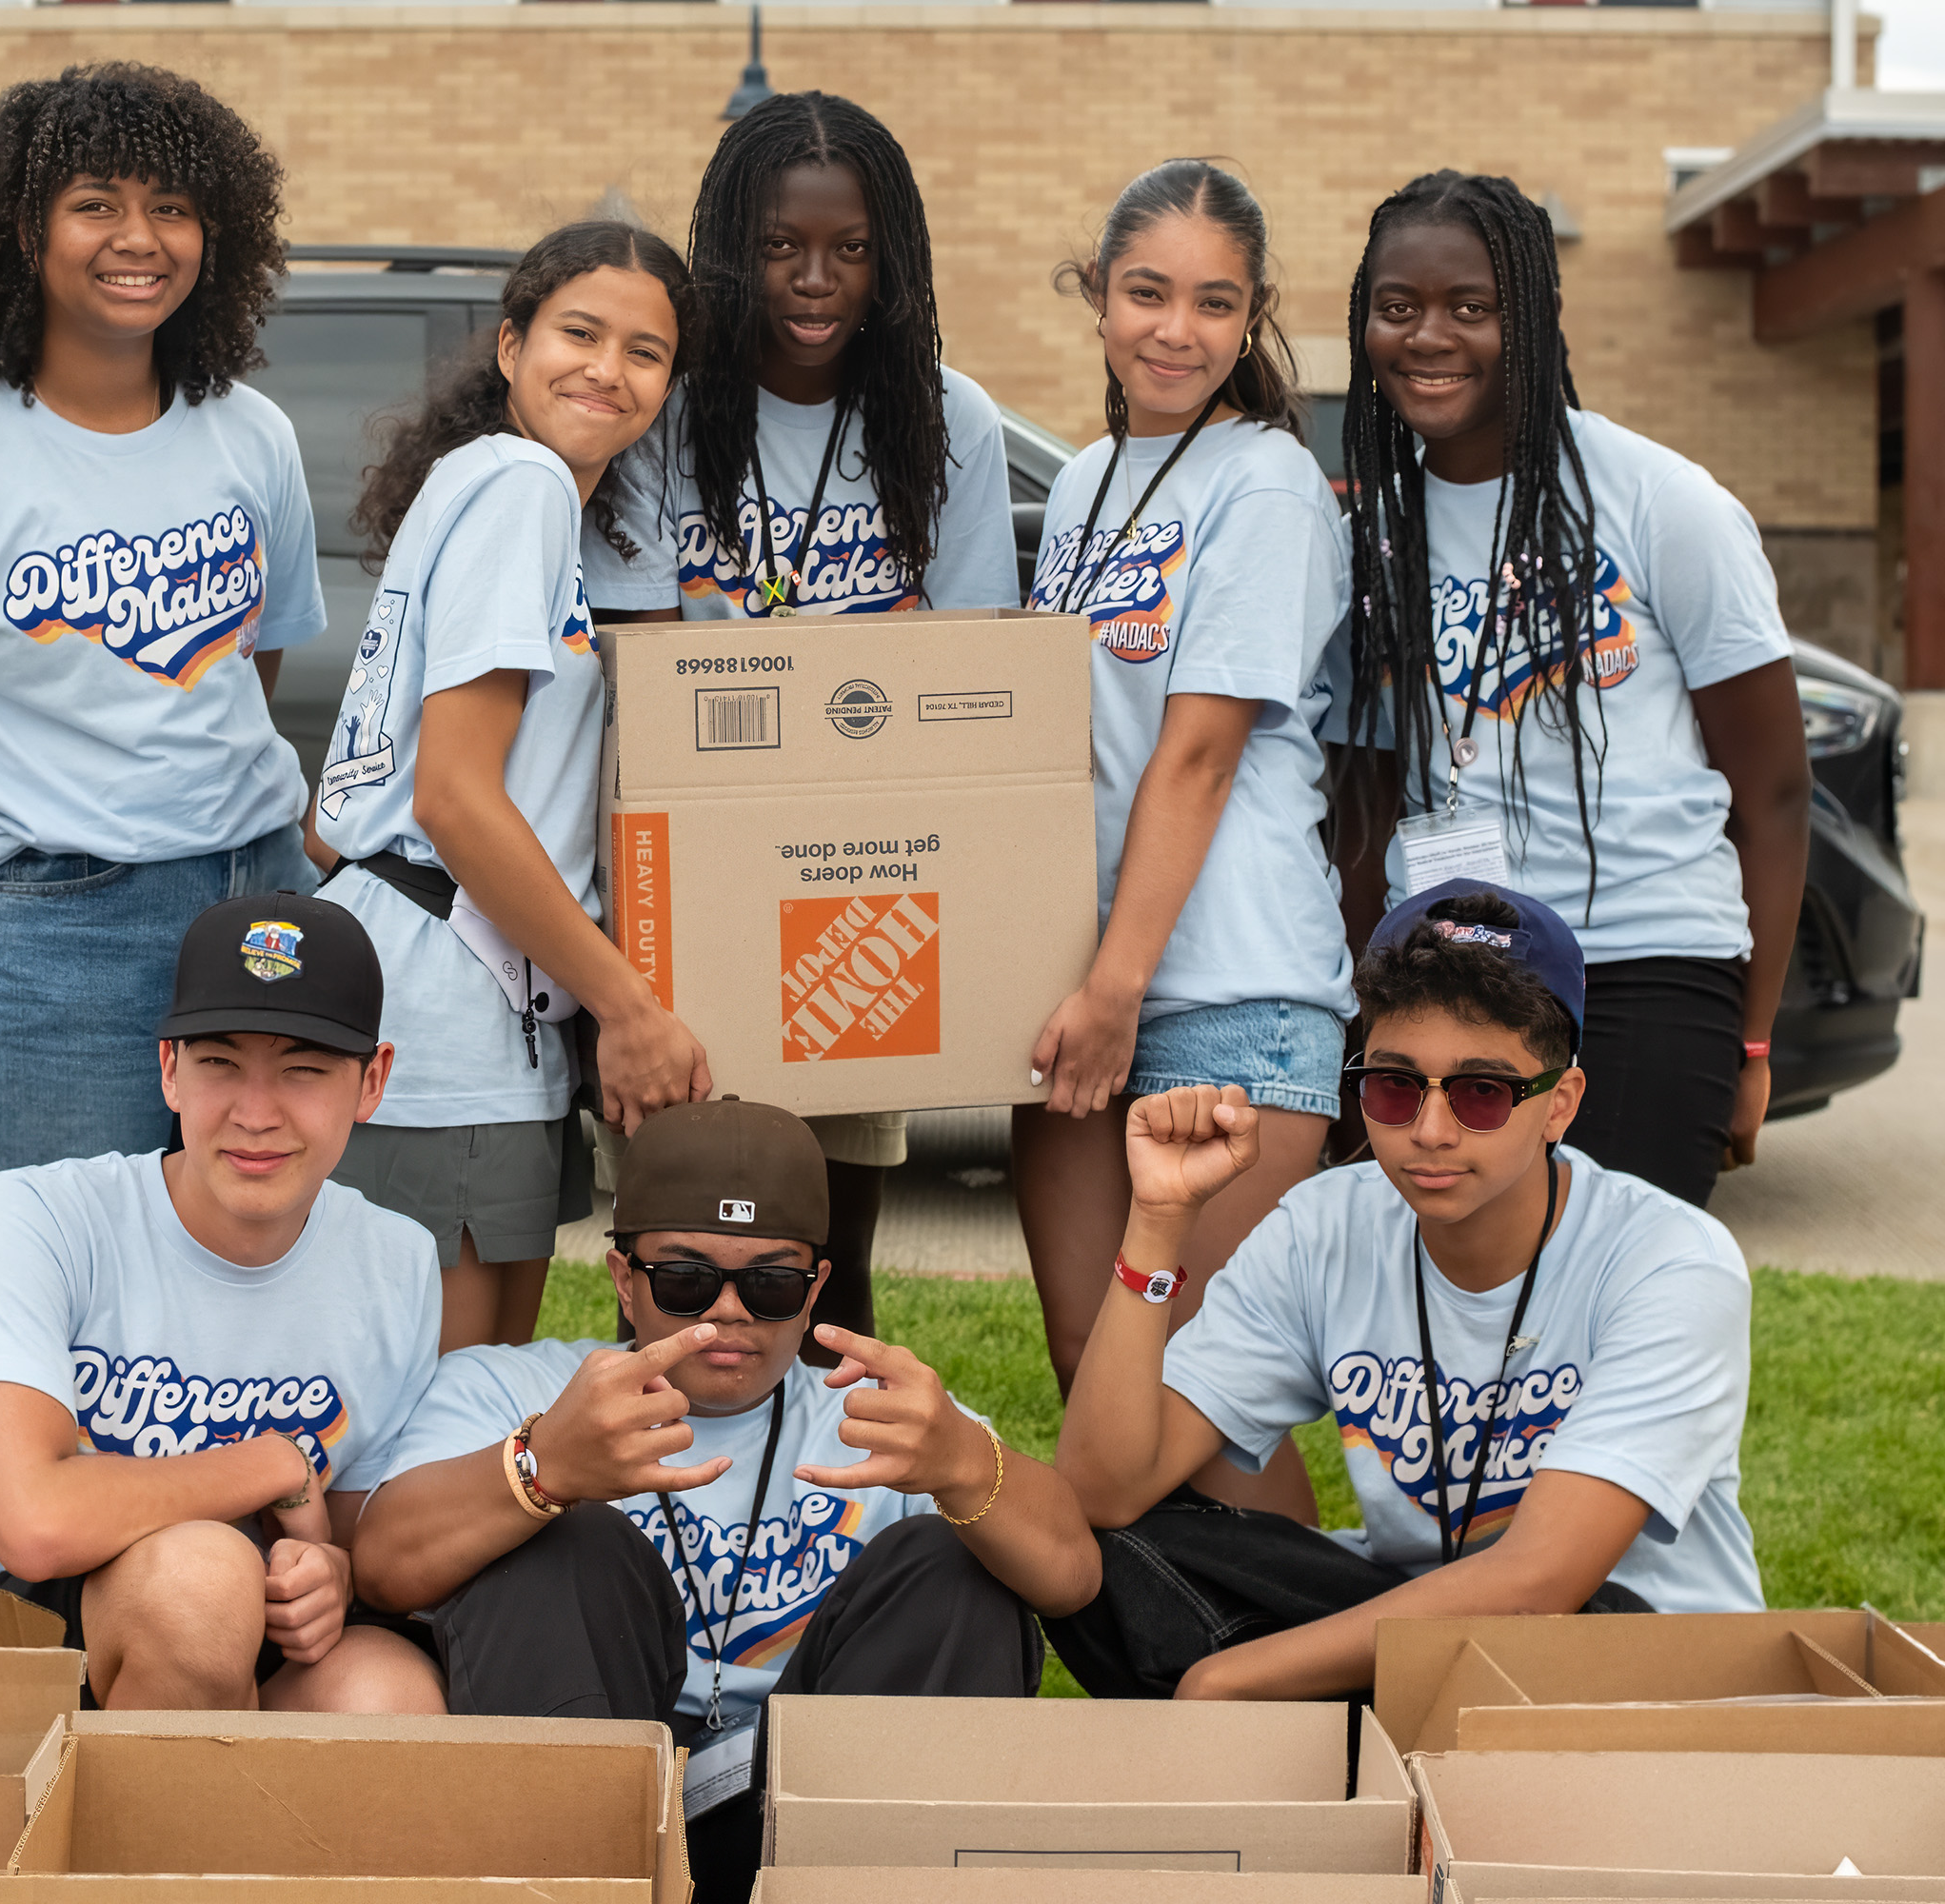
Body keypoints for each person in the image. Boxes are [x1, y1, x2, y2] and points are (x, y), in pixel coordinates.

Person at [0, 65, 326, 1570]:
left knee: (234, 1279)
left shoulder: (251, 435)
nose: (139, 237)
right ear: (18, 228)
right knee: (37, 1312)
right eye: (96, 201)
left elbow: (260, 663)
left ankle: (194, 1621)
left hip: (252, 894)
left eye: (174, 205)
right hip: (46, 925)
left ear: (218, 232)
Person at [353, 1097, 1099, 1904]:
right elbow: (385, 1567)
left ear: (816, 1291)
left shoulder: (879, 1421)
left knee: (953, 1565)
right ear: (623, 1279)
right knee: (566, 1542)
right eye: (685, 1278)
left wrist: (961, 1461)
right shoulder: (515, 1387)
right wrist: (546, 1466)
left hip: (820, 1803)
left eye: (771, 1283)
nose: (729, 1311)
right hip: (597, 1782)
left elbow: (1073, 1577)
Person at [1048, 882, 1762, 1704]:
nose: (1428, 1130)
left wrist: (1227, 1675)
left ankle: (1305, 1737)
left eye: (1481, 1094)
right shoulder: (1326, 1227)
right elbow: (1104, 1491)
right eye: (1393, 1086)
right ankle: (1339, 1744)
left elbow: (1539, 1585)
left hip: (1634, 1658)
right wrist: (1157, 1224)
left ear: (1559, 1105)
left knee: (1574, 1622)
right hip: (1420, 1618)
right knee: (1106, 1561)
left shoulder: (1671, 1261)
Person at [583, 92, 1021, 1354]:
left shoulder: (948, 421)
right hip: (694, 906)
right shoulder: (665, 418)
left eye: (851, 249)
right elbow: (644, 683)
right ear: (730, 248)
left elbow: (968, 672)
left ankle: (840, 1531)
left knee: (829, 1279)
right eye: (781, 247)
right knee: (674, 1281)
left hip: (860, 904)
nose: (817, 280)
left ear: (896, 258)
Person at [1326, 169, 1811, 1210]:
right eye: (1397, 307)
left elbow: (1772, 788)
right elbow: (1360, 803)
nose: (1429, 336)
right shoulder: (1367, 534)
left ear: (1536, 316)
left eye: (1472, 307)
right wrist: (1372, 1017)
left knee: (1616, 1316)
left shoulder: (1661, 502)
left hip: (1644, 964)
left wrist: (1756, 1038)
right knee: (1461, 1328)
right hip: (1446, 976)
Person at [1015, 159, 1355, 1527]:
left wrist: (1115, 990)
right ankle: (1174, 1704)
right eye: (1147, 292)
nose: (1176, 329)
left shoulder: (1265, 483)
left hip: (1231, 994)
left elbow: (1200, 752)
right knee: (1094, 1372)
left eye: (1214, 304)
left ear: (1253, 316)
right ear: (1097, 298)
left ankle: (1301, 1694)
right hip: (1090, 988)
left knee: (1199, 1405)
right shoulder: (1094, 476)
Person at [311, 223, 710, 1355]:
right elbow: (453, 796)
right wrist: (629, 1009)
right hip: (446, 1027)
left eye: (646, 351)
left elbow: (339, 803)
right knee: (437, 1440)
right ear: (508, 346)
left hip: (459, 1001)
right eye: (578, 333)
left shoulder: (497, 490)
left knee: (462, 1420)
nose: (607, 369)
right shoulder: (522, 485)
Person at [0, 895, 447, 1716]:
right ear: (169, 1068)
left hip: (256, 1638)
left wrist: (332, 1574)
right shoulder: (36, 1216)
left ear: (372, 1081)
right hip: (38, 1635)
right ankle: (133, 1843)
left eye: (303, 1070)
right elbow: (33, 1527)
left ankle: (238, 1837)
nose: (255, 1113)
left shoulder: (398, 1262)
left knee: (388, 1696)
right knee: (202, 1580)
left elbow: (350, 1528)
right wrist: (269, 1465)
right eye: (220, 1063)